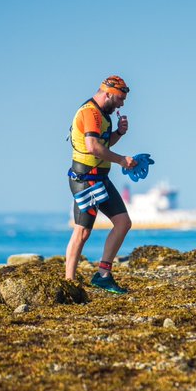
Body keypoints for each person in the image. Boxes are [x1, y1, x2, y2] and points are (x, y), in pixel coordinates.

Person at [64, 75, 138, 294]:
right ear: (108, 93)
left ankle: (103, 275)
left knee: (123, 223)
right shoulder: (90, 112)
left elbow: (104, 143)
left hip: (101, 179)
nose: (122, 103)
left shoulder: (104, 115)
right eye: (120, 98)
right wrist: (122, 160)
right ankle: (69, 281)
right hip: (85, 180)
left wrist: (118, 133)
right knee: (82, 232)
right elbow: (94, 147)